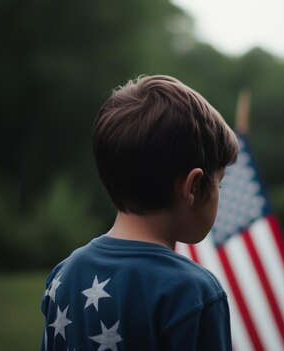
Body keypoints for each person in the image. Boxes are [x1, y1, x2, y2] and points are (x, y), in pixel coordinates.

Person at [40, 75, 238, 351]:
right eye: (219, 182)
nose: (220, 193)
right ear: (193, 186)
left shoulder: (65, 276)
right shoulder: (193, 292)